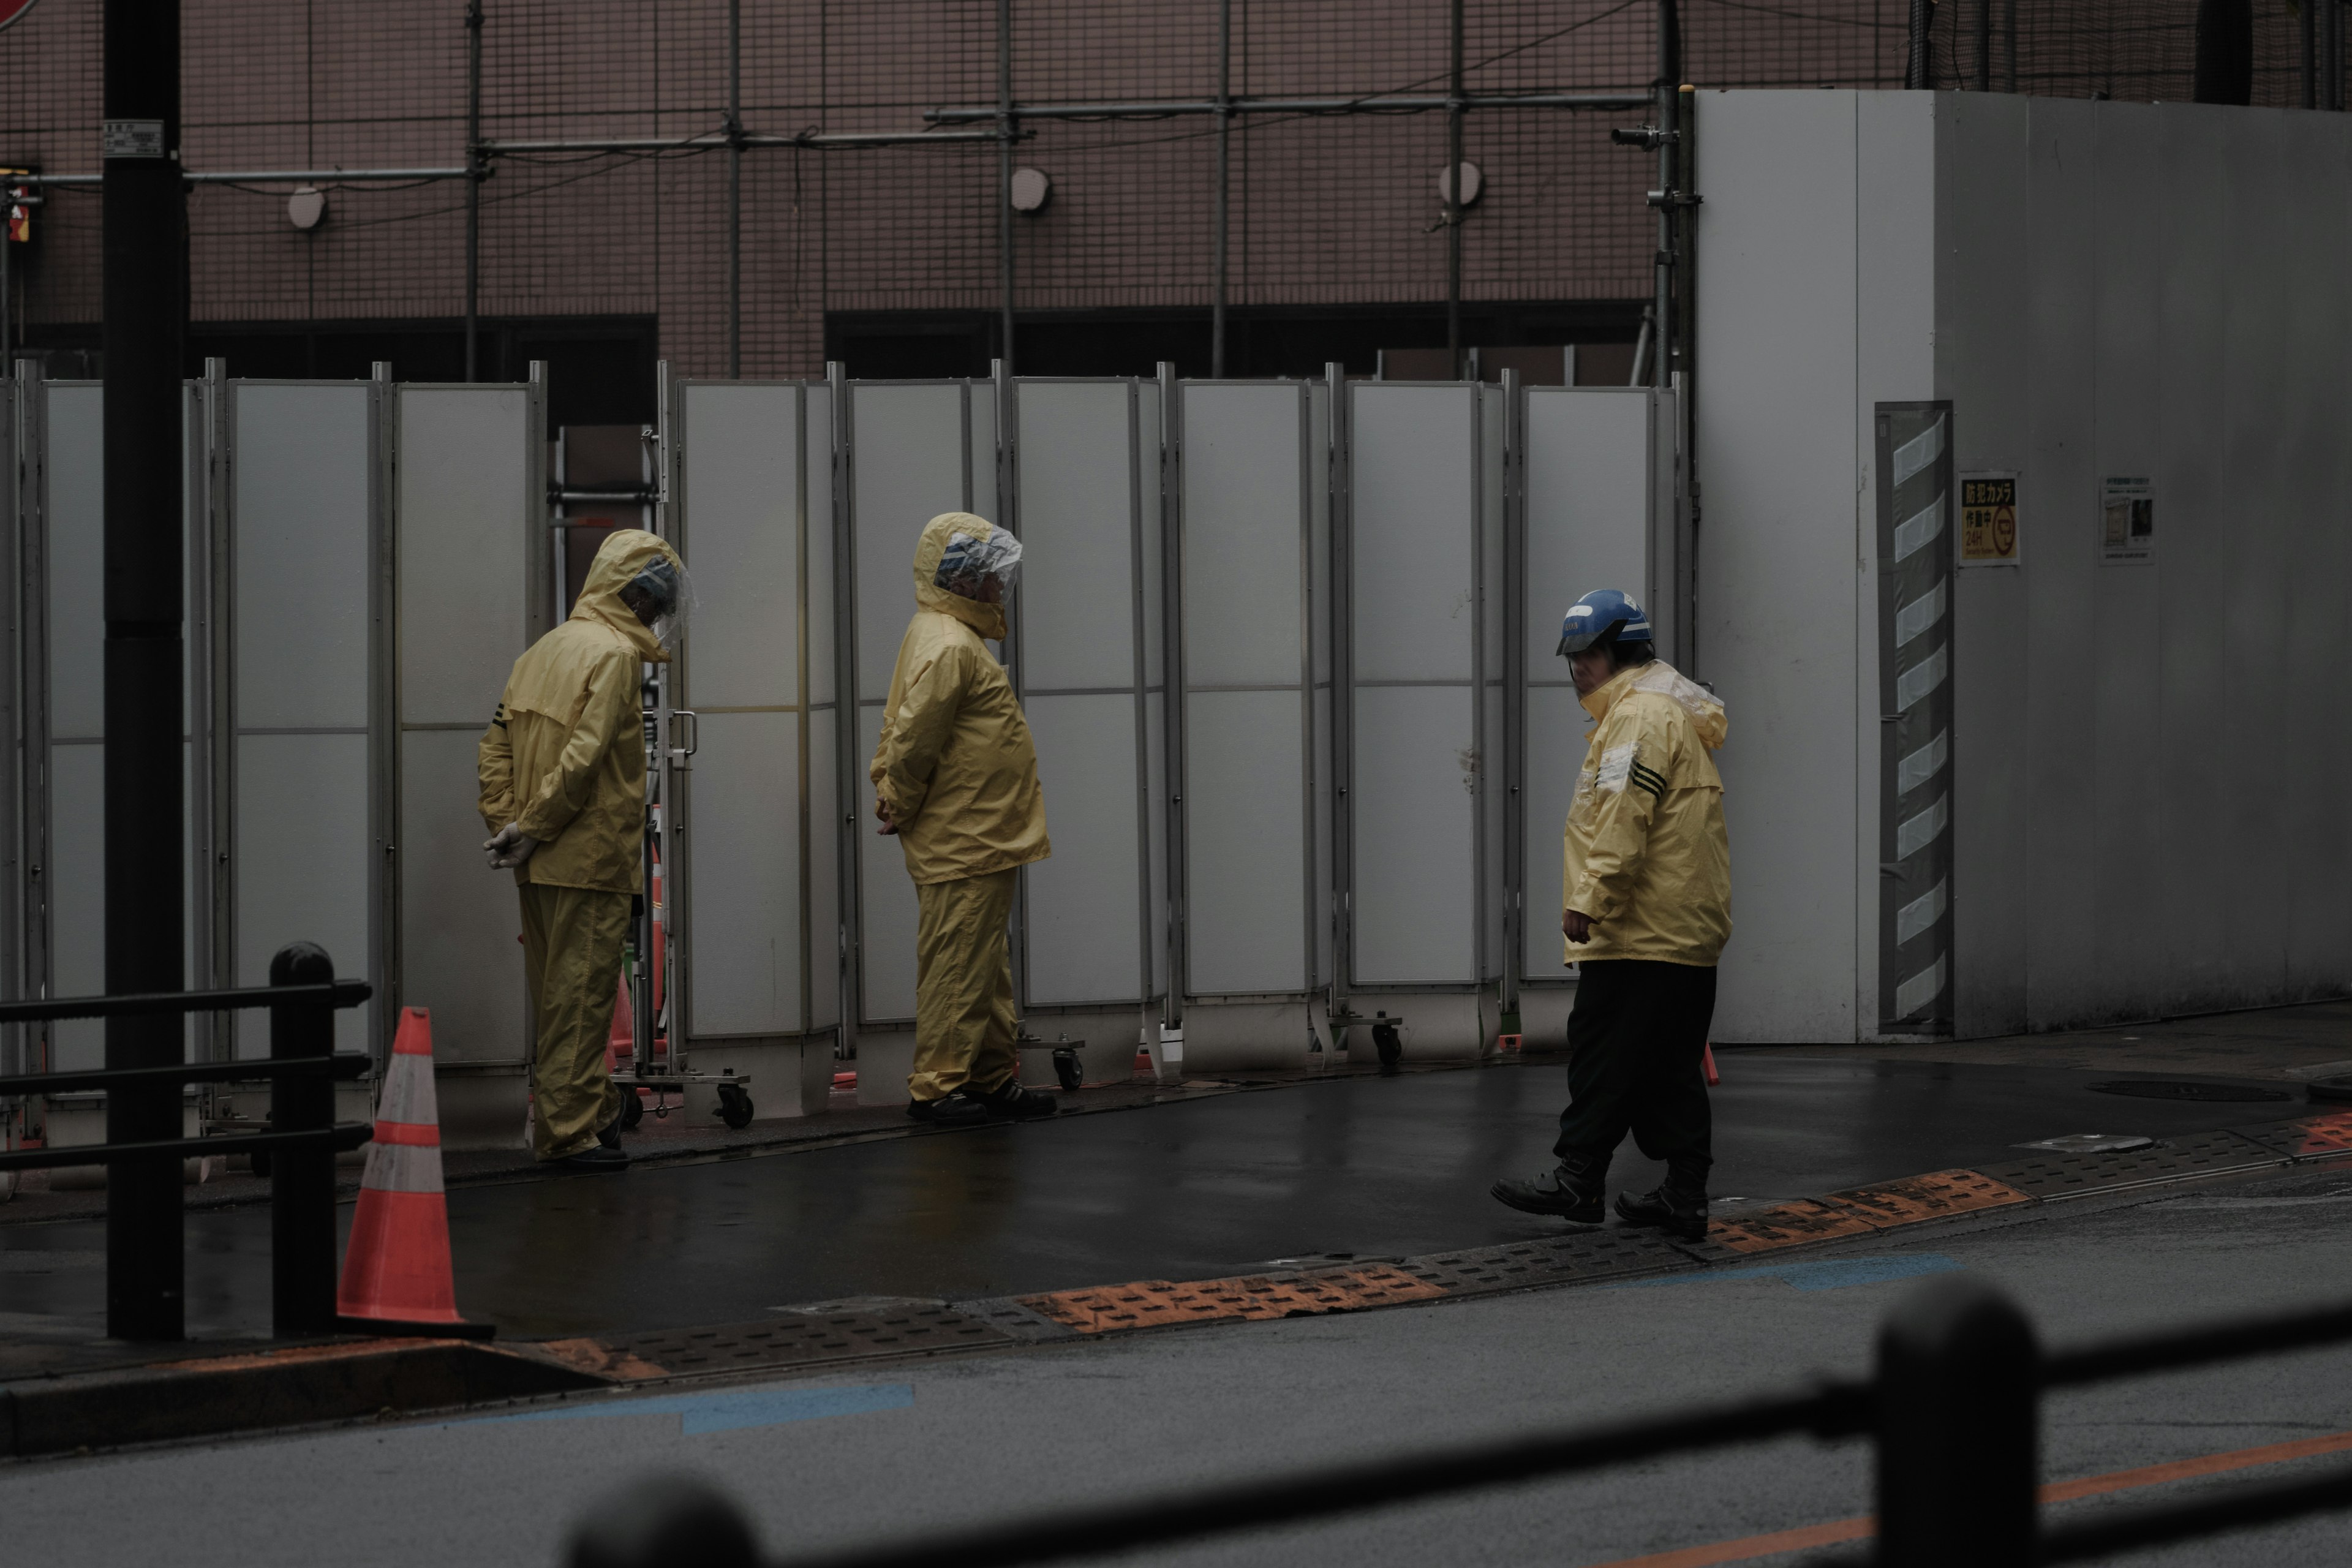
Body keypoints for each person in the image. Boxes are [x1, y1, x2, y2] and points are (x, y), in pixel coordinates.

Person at [1491, 589, 1730, 1239]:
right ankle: (1684, 1196)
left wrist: (1589, 899)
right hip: (1681, 930)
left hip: (1640, 930)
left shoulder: (1639, 718)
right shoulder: (1663, 711)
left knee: (1602, 1053)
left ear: (1623, 651)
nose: (1577, 668)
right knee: (1667, 1066)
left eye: (1589, 653)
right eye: (1571, 656)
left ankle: (1579, 1179)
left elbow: (1625, 816)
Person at [478, 529, 691, 1172]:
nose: (656, 616)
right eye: (655, 602)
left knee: (557, 998)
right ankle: (568, 1133)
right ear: (637, 596)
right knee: (581, 1000)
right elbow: (586, 756)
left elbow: (495, 747)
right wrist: (538, 824)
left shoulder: (541, 651)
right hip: (590, 856)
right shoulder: (616, 657)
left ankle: (595, 1113)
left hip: (537, 863)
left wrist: (510, 825)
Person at [870, 512, 1057, 1129]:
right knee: (958, 963)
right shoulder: (951, 644)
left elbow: (902, 730)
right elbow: (914, 739)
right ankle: (937, 1087)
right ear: (964, 581)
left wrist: (894, 792)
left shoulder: (941, 634)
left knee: (983, 966)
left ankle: (987, 1075)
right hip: (965, 835)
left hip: (976, 834)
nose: (1000, 589)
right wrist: (897, 795)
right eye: (991, 578)